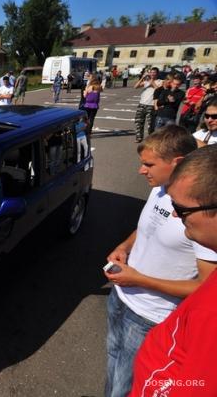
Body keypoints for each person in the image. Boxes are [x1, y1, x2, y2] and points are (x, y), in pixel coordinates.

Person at [104, 126, 217, 397]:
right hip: (121, 298)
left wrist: (139, 279)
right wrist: (125, 245)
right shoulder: (163, 188)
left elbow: (204, 287)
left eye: (149, 164)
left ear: (176, 163)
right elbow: (147, 226)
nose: (142, 171)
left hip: (150, 316)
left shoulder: (201, 214)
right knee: (112, 369)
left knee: (125, 385)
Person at [134, 67, 162, 143]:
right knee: (138, 122)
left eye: (154, 72)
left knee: (150, 124)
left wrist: (151, 81)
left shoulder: (160, 81)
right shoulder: (146, 81)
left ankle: (150, 139)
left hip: (151, 105)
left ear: (157, 73)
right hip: (142, 104)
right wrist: (142, 78)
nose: (152, 74)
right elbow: (135, 86)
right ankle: (139, 137)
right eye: (151, 72)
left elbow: (158, 89)